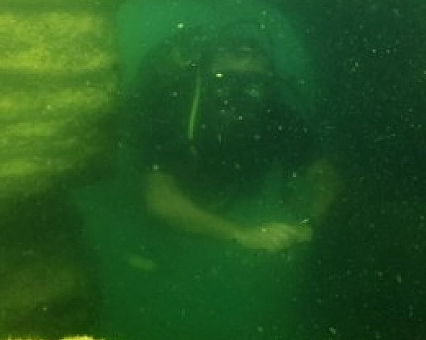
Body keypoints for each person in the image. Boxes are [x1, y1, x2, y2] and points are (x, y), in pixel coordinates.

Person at [127, 25, 338, 252]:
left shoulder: (277, 115)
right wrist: (242, 234)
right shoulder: (175, 108)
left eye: (253, 84)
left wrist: (307, 226)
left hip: (223, 191)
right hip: (151, 197)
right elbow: (160, 200)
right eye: (223, 80)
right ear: (204, 77)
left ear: (268, 82)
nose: (238, 94)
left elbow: (325, 176)